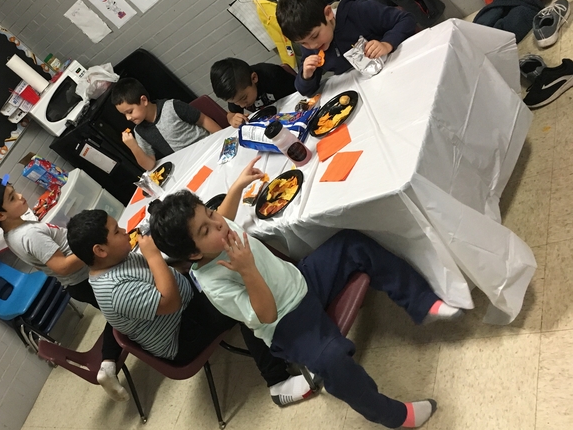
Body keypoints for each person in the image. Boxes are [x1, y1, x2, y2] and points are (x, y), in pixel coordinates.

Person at [149, 161, 465, 428]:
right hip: (286, 324)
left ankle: (422, 302)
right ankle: (393, 416)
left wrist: (237, 187)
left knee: (351, 243)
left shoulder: (220, 226)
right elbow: (266, 316)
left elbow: (224, 214)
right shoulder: (214, 283)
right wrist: (247, 270)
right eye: (206, 230)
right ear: (192, 255)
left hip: (302, 281)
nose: (218, 225)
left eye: (210, 214)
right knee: (332, 360)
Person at [66, 185, 319, 407]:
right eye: (116, 232)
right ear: (100, 250)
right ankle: (278, 383)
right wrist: (154, 256)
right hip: (180, 335)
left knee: (213, 259)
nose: (124, 230)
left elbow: (164, 274)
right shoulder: (113, 290)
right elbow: (170, 301)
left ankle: (291, 299)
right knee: (239, 304)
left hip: (186, 297)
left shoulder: (116, 258)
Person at [0, 174, 130, 402]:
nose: (22, 196)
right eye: (13, 197)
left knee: (118, 315)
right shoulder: (29, 235)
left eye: (15, 191)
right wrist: (90, 249)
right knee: (122, 316)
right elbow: (62, 267)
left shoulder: (13, 233)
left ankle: (108, 363)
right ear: (1, 215)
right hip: (85, 279)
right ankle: (108, 364)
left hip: (80, 281)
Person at [275, 0, 417, 96]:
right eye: (303, 43)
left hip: (396, 72)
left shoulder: (358, 10)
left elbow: (406, 19)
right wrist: (306, 75)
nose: (312, 46)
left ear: (328, 14)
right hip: (365, 91)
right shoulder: (310, 45)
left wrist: (387, 43)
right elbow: (306, 91)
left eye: (315, 36)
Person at [111, 78, 222, 171]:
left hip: (209, 150)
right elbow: (149, 165)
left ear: (144, 100)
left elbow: (204, 120)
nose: (128, 118)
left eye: (130, 112)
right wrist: (134, 147)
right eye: (123, 114)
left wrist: (224, 139)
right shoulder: (139, 131)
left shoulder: (172, 107)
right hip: (188, 166)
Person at [209, 58, 296, 128]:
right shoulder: (235, 92)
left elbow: (300, 93)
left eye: (244, 98)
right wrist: (232, 119)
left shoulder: (272, 74)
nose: (242, 105)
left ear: (254, 78)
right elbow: (231, 114)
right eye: (235, 102)